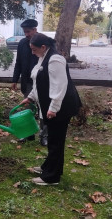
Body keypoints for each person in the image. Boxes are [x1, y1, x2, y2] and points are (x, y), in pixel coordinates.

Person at [20, 33, 81, 185]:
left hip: (61, 107)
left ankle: (52, 177)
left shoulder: (55, 60)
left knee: (56, 141)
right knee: (54, 139)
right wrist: (31, 97)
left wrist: (53, 108)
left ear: (43, 47)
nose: (32, 53)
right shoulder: (43, 57)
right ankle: (48, 167)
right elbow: (38, 83)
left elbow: (59, 86)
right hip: (54, 106)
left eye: (34, 49)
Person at [11, 19, 48, 146]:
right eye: (24, 32)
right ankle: (28, 133)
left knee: (43, 109)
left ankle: (44, 136)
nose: (26, 34)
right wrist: (15, 79)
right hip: (27, 82)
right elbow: (18, 63)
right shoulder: (21, 44)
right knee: (28, 107)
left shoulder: (43, 43)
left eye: (28, 31)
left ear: (35, 30)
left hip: (42, 81)